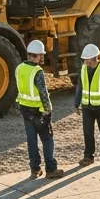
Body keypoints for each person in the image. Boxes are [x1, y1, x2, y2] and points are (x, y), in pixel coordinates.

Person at [18, 40, 61, 179]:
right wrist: (48, 110)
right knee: (47, 139)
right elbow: (43, 93)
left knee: (32, 141)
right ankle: (51, 169)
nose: (42, 58)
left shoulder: (19, 68)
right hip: (39, 112)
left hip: (25, 110)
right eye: (41, 56)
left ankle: (35, 169)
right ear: (37, 56)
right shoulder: (37, 71)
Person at [74, 43, 100, 166]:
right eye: (85, 59)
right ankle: (88, 157)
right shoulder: (83, 68)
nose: (85, 61)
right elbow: (80, 87)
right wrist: (77, 103)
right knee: (88, 133)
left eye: (87, 59)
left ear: (94, 58)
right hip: (87, 107)